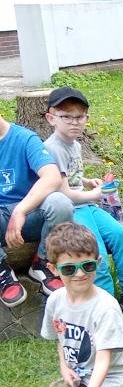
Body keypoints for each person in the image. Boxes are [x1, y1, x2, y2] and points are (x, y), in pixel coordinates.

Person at [44, 86, 123, 320]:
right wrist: (95, 194)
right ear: (51, 118)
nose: (74, 122)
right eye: (66, 117)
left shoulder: (74, 144)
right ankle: (104, 309)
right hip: (71, 209)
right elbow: (63, 192)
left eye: (79, 117)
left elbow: (72, 178)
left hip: (85, 205)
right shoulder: (53, 148)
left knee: (121, 236)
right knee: (97, 253)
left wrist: (87, 182)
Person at [26, 222, 123, 387]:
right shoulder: (55, 301)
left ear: (98, 262)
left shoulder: (105, 307)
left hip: (109, 383)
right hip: (76, 378)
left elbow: (103, 361)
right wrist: (64, 367)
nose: (80, 274)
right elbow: (61, 339)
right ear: (53, 269)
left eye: (87, 265)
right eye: (69, 269)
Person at [0, 114, 72, 306]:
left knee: (60, 202)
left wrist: (20, 211)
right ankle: (2, 271)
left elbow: (52, 177)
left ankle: (43, 261)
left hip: (29, 215)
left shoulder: (24, 138)